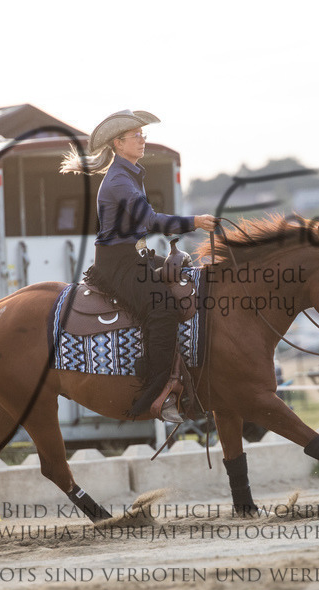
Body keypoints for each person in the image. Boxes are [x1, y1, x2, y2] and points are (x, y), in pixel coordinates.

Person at [60, 109, 217, 422]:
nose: (143, 139)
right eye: (137, 135)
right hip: (118, 264)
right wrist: (195, 222)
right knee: (162, 310)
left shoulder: (129, 174)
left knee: (188, 280)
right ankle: (158, 394)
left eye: (143, 134)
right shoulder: (119, 180)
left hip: (134, 256)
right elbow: (150, 220)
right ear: (119, 144)